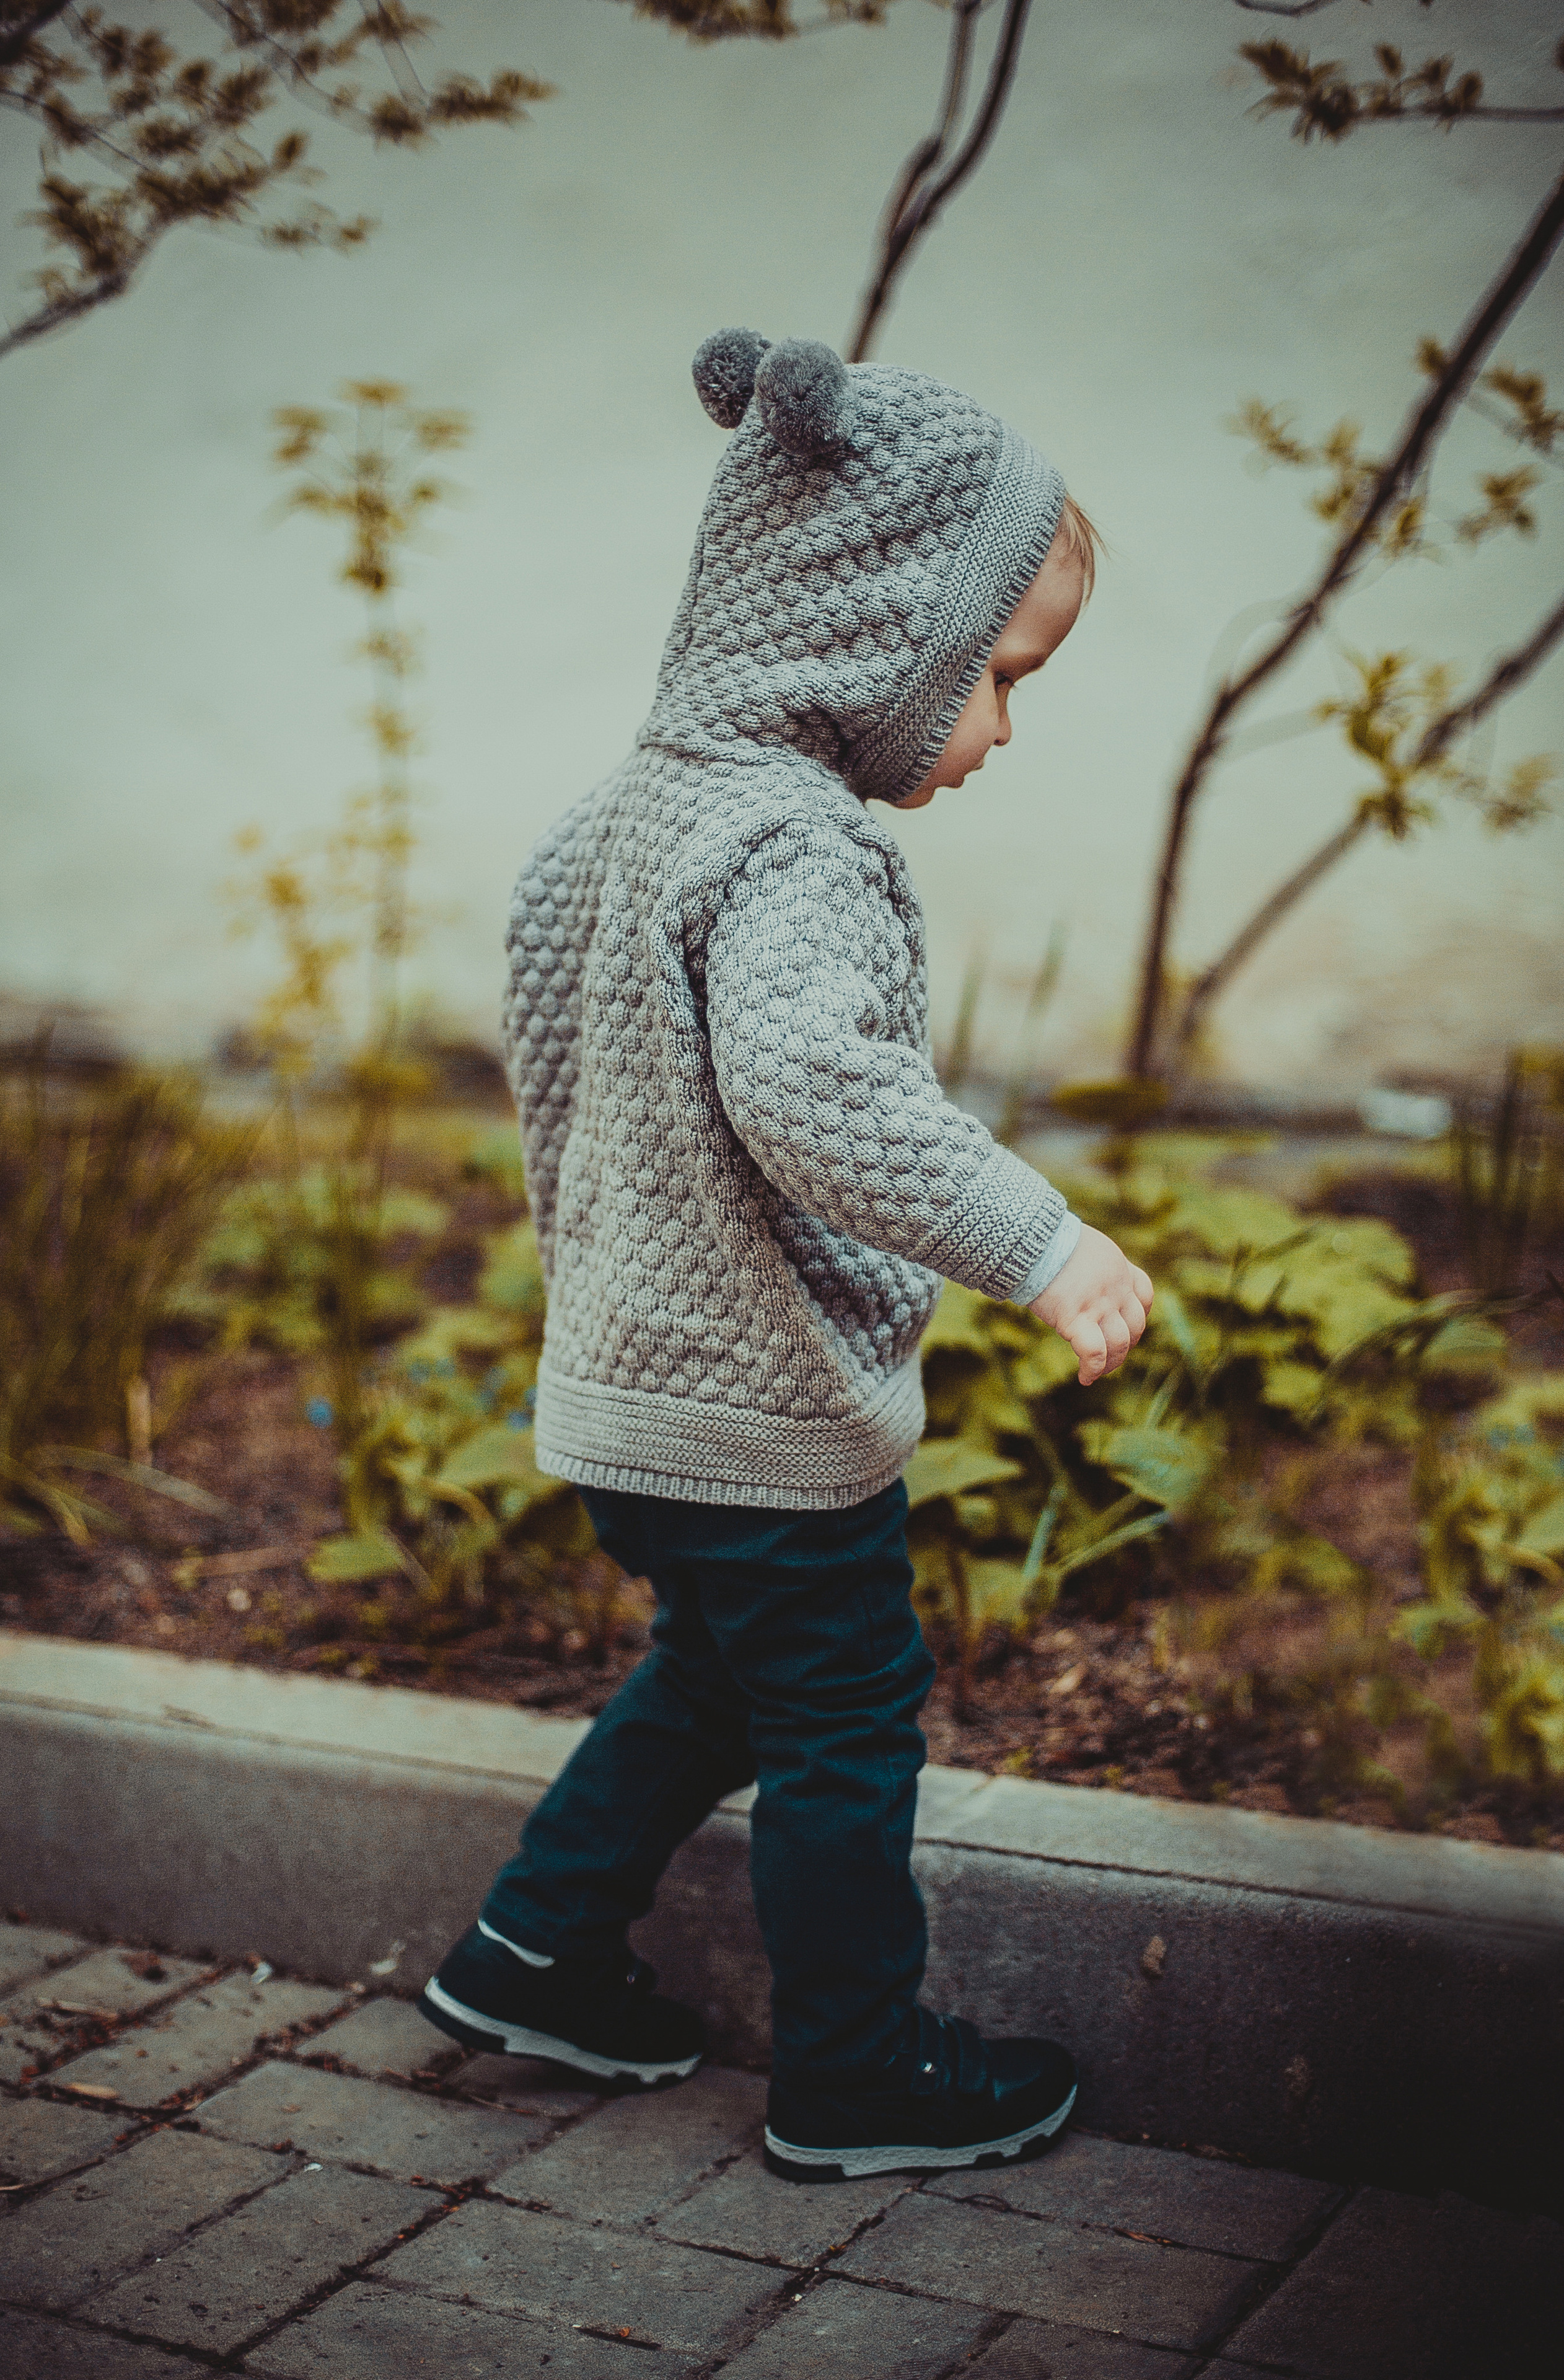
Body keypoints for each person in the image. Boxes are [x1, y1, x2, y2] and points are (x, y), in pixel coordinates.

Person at [421, 330, 1154, 2182]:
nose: (999, 730)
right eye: (1001, 678)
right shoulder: (793, 847)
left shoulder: (618, 817)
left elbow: (580, 1088)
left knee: (714, 1683)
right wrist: (1042, 1245)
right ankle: (854, 2069)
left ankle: (532, 1949)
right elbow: (818, 1092)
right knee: (845, 1723)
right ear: (869, 620)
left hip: (626, 1401)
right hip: (759, 1416)